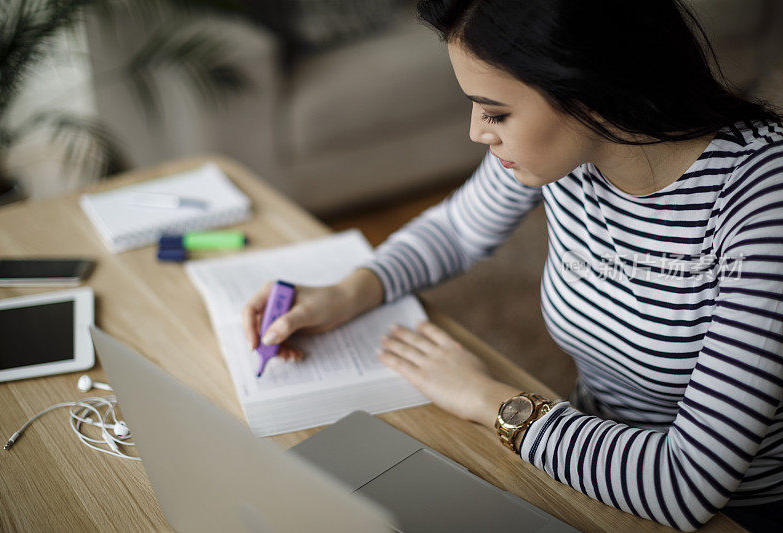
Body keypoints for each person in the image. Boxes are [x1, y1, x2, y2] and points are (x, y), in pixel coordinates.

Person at [242, 1, 783, 530]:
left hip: (735, 512)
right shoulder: (573, 147)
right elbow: (455, 229)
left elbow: (684, 482)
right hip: (578, 451)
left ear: (590, 89)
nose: (477, 131)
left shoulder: (762, 207)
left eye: (496, 111)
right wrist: (350, 290)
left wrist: (487, 397)